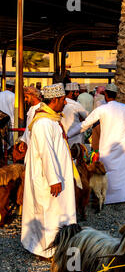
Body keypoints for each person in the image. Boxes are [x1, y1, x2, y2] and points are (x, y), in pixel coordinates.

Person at [21, 83, 77, 259]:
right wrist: (53, 179)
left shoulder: (51, 119)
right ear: (55, 99)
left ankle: (59, 246)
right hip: (48, 178)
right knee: (49, 213)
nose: (66, 104)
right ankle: (46, 250)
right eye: (63, 100)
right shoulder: (44, 122)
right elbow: (46, 151)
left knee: (58, 212)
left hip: (57, 175)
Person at [69, 83, 125, 204]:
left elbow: (85, 124)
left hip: (107, 147)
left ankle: (109, 197)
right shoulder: (124, 108)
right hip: (123, 145)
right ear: (116, 95)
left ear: (106, 95)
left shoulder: (102, 109)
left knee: (108, 173)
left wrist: (67, 134)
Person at [60, 82, 89, 147]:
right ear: (71, 92)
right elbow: (87, 118)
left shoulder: (61, 103)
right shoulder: (76, 105)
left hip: (63, 138)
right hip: (75, 139)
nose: (78, 94)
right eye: (76, 92)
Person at [0, 79, 15, 145]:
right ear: (12, 87)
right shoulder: (14, 96)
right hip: (11, 122)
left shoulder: (0, 94)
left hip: (1, 122)